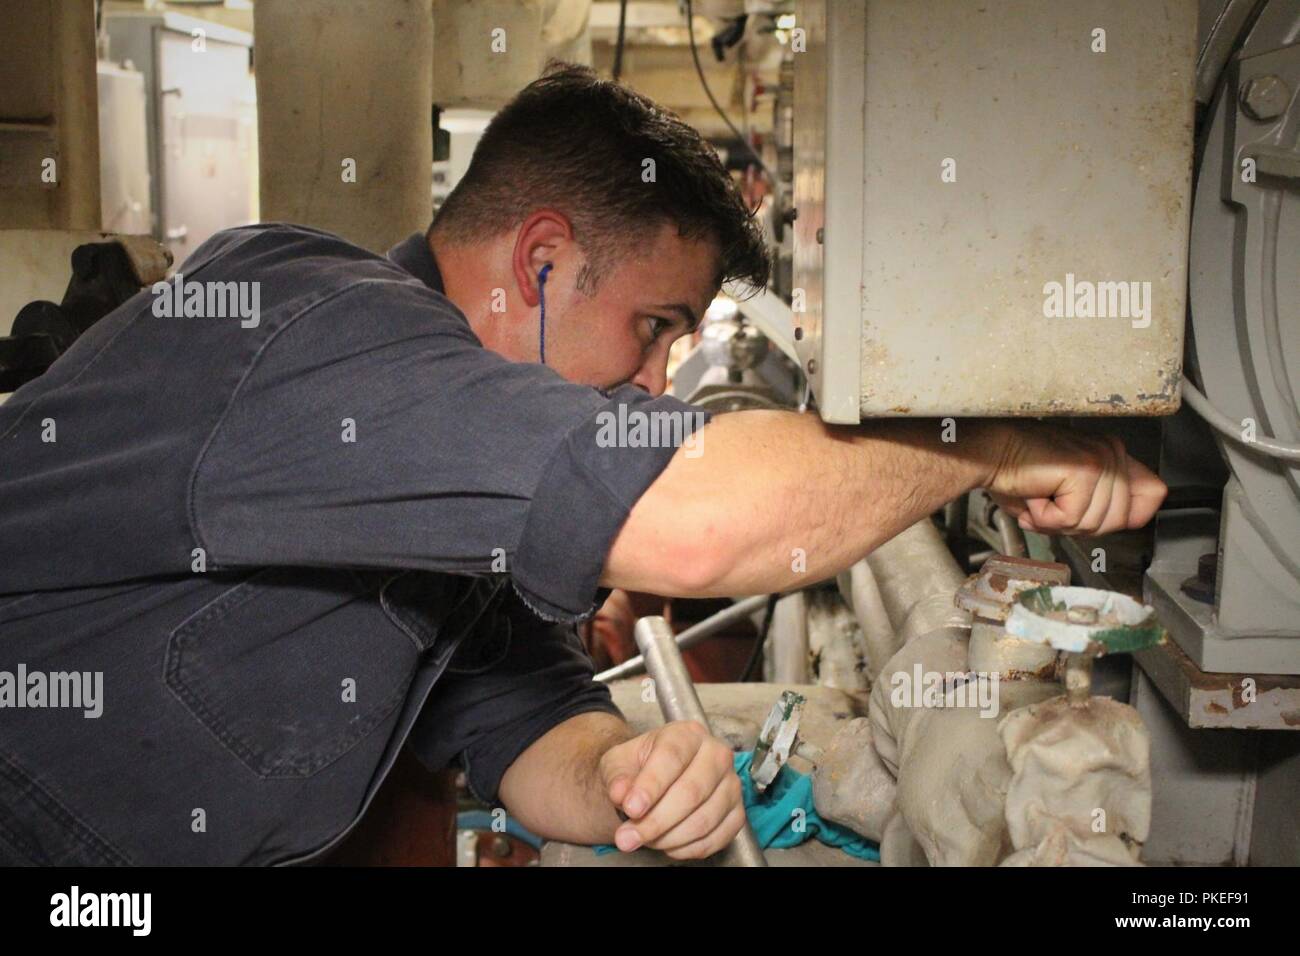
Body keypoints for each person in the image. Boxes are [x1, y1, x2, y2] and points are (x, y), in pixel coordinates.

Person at [0, 63, 1165, 865]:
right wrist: (991, 441)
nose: (658, 379)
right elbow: (693, 520)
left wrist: (628, 768)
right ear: (543, 261)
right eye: (655, 325)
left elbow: (519, 725)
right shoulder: (324, 325)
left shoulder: (438, 474)